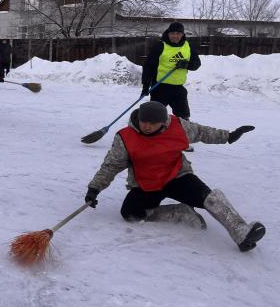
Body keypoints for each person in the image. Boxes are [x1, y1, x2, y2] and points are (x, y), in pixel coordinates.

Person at [84, 101, 264, 252]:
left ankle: (241, 231)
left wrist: (229, 136)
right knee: (130, 214)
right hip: (147, 184)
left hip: (178, 176)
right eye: (143, 121)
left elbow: (201, 132)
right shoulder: (125, 137)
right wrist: (94, 188)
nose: (146, 126)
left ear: (163, 122)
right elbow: (111, 165)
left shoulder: (178, 126)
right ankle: (180, 213)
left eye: (152, 123)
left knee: (208, 198)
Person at [141, 22, 200, 119]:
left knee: (184, 118)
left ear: (182, 34)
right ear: (168, 33)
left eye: (178, 33)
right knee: (154, 118)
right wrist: (145, 86)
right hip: (159, 88)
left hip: (178, 89)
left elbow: (197, 64)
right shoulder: (160, 46)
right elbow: (148, 67)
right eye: (172, 33)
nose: (175, 36)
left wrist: (186, 64)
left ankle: (181, 133)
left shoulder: (188, 46)